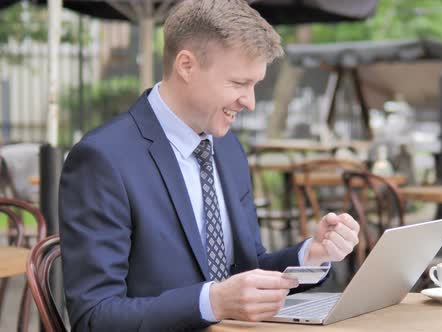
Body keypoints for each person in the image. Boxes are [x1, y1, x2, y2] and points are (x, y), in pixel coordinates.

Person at [59, 0, 360, 331]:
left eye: (255, 85)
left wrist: (310, 256)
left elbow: (246, 268)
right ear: (186, 65)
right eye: (238, 83)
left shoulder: (227, 147)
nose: (250, 101)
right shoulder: (103, 159)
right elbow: (94, 317)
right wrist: (212, 302)